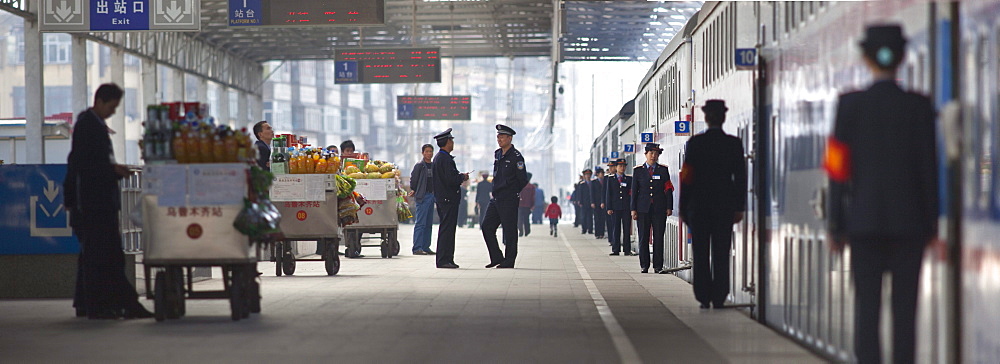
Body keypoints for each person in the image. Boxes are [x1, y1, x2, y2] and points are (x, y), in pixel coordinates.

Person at [824, 24, 937, 364]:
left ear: (865, 58)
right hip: (910, 227)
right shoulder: (919, 107)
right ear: (902, 58)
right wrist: (931, 225)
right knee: (905, 312)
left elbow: (836, 172)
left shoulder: (848, 106)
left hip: (863, 225)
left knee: (866, 310)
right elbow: (929, 171)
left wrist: (835, 224)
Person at [64, 83, 152, 320]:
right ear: (100, 101)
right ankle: (112, 305)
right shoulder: (88, 126)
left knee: (93, 256)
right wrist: (114, 171)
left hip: (93, 201)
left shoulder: (92, 124)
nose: (113, 112)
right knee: (107, 256)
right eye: (112, 107)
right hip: (93, 203)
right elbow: (86, 165)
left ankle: (87, 304)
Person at [679, 99, 747, 309]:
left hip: (698, 208)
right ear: (723, 118)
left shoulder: (695, 144)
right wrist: (739, 207)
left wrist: (683, 208)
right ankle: (719, 296)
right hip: (723, 208)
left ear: (706, 118)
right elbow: (741, 178)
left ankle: (703, 297)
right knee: (721, 252)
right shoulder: (733, 144)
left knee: (700, 253)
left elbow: (687, 178)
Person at [481, 124, 529, 269]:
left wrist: (513, 192)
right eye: (498, 136)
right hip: (496, 197)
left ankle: (509, 260)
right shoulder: (497, 154)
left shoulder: (516, 157)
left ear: (509, 138)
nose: (499, 139)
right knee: (487, 227)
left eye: (502, 136)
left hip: (508, 198)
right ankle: (496, 257)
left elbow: (523, 179)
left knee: (509, 230)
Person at [631, 143, 674, 274]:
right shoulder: (638, 171)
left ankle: (658, 266)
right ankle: (644, 265)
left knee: (658, 237)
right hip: (642, 209)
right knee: (643, 238)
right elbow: (634, 191)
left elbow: (668, 190)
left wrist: (669, 207)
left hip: (659, 209)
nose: (653, 156)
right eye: (651, 153)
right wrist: (633, 209)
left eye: (656, 154)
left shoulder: (663, 170)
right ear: (646, 154)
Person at [431, 128, 469, 269]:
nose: (453, 143)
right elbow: (449, 179)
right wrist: (462, 177)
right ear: (447, 142)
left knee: (448, 229)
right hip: (447, 199)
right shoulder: (444, 159)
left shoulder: (441, 158)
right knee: (447, 230)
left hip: (445, 199)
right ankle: (443, 260)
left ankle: (448, 258)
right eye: (451, 140)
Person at [408, 144, 436, 255]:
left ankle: (426, 246)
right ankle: (417, 248)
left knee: (429, 223)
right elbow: (413, 179)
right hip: (422, 196)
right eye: (427, 151)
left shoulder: (434, 166)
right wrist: (414, 190)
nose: (429, 153)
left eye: (431, 151)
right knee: (420, 223)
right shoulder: (419, 166)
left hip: (432, 196)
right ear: (423, 153)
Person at [606, 159, 634, 256]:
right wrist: (609, 207)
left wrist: (632, 207)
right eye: (620, 166)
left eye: (624, 166)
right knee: (616, 228)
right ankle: (615, 249)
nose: (622, 168)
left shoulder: (629, 179)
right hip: (615, 207)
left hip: (626, 208)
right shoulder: (611, 179)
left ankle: (627, 249)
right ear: (616, 167)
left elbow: (631, 194)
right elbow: (608, 194)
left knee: (627, 229)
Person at [590, 167, 607, 239]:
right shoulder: (594, 182)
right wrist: (592, 202)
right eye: (601, 173)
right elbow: (592, 193)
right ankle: (597, 233)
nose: (602, 175)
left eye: (603, 173)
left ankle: (602, 233)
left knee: (603, 219)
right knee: (597, 218)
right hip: (596, 203)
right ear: (597, 174)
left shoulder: (606, 181)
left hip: (604, 203)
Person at [578, 169, 594, 234]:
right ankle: (584, 229)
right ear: (584, 176)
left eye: (589, 175)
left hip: (591, 202)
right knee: (583, 216)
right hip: (584, 203)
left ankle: (590, 229)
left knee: (590, 217)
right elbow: (580, 194)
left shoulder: (593, 183)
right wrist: (580, 201)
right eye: (586, 175)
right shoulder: (582, 184)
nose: (588, 176)